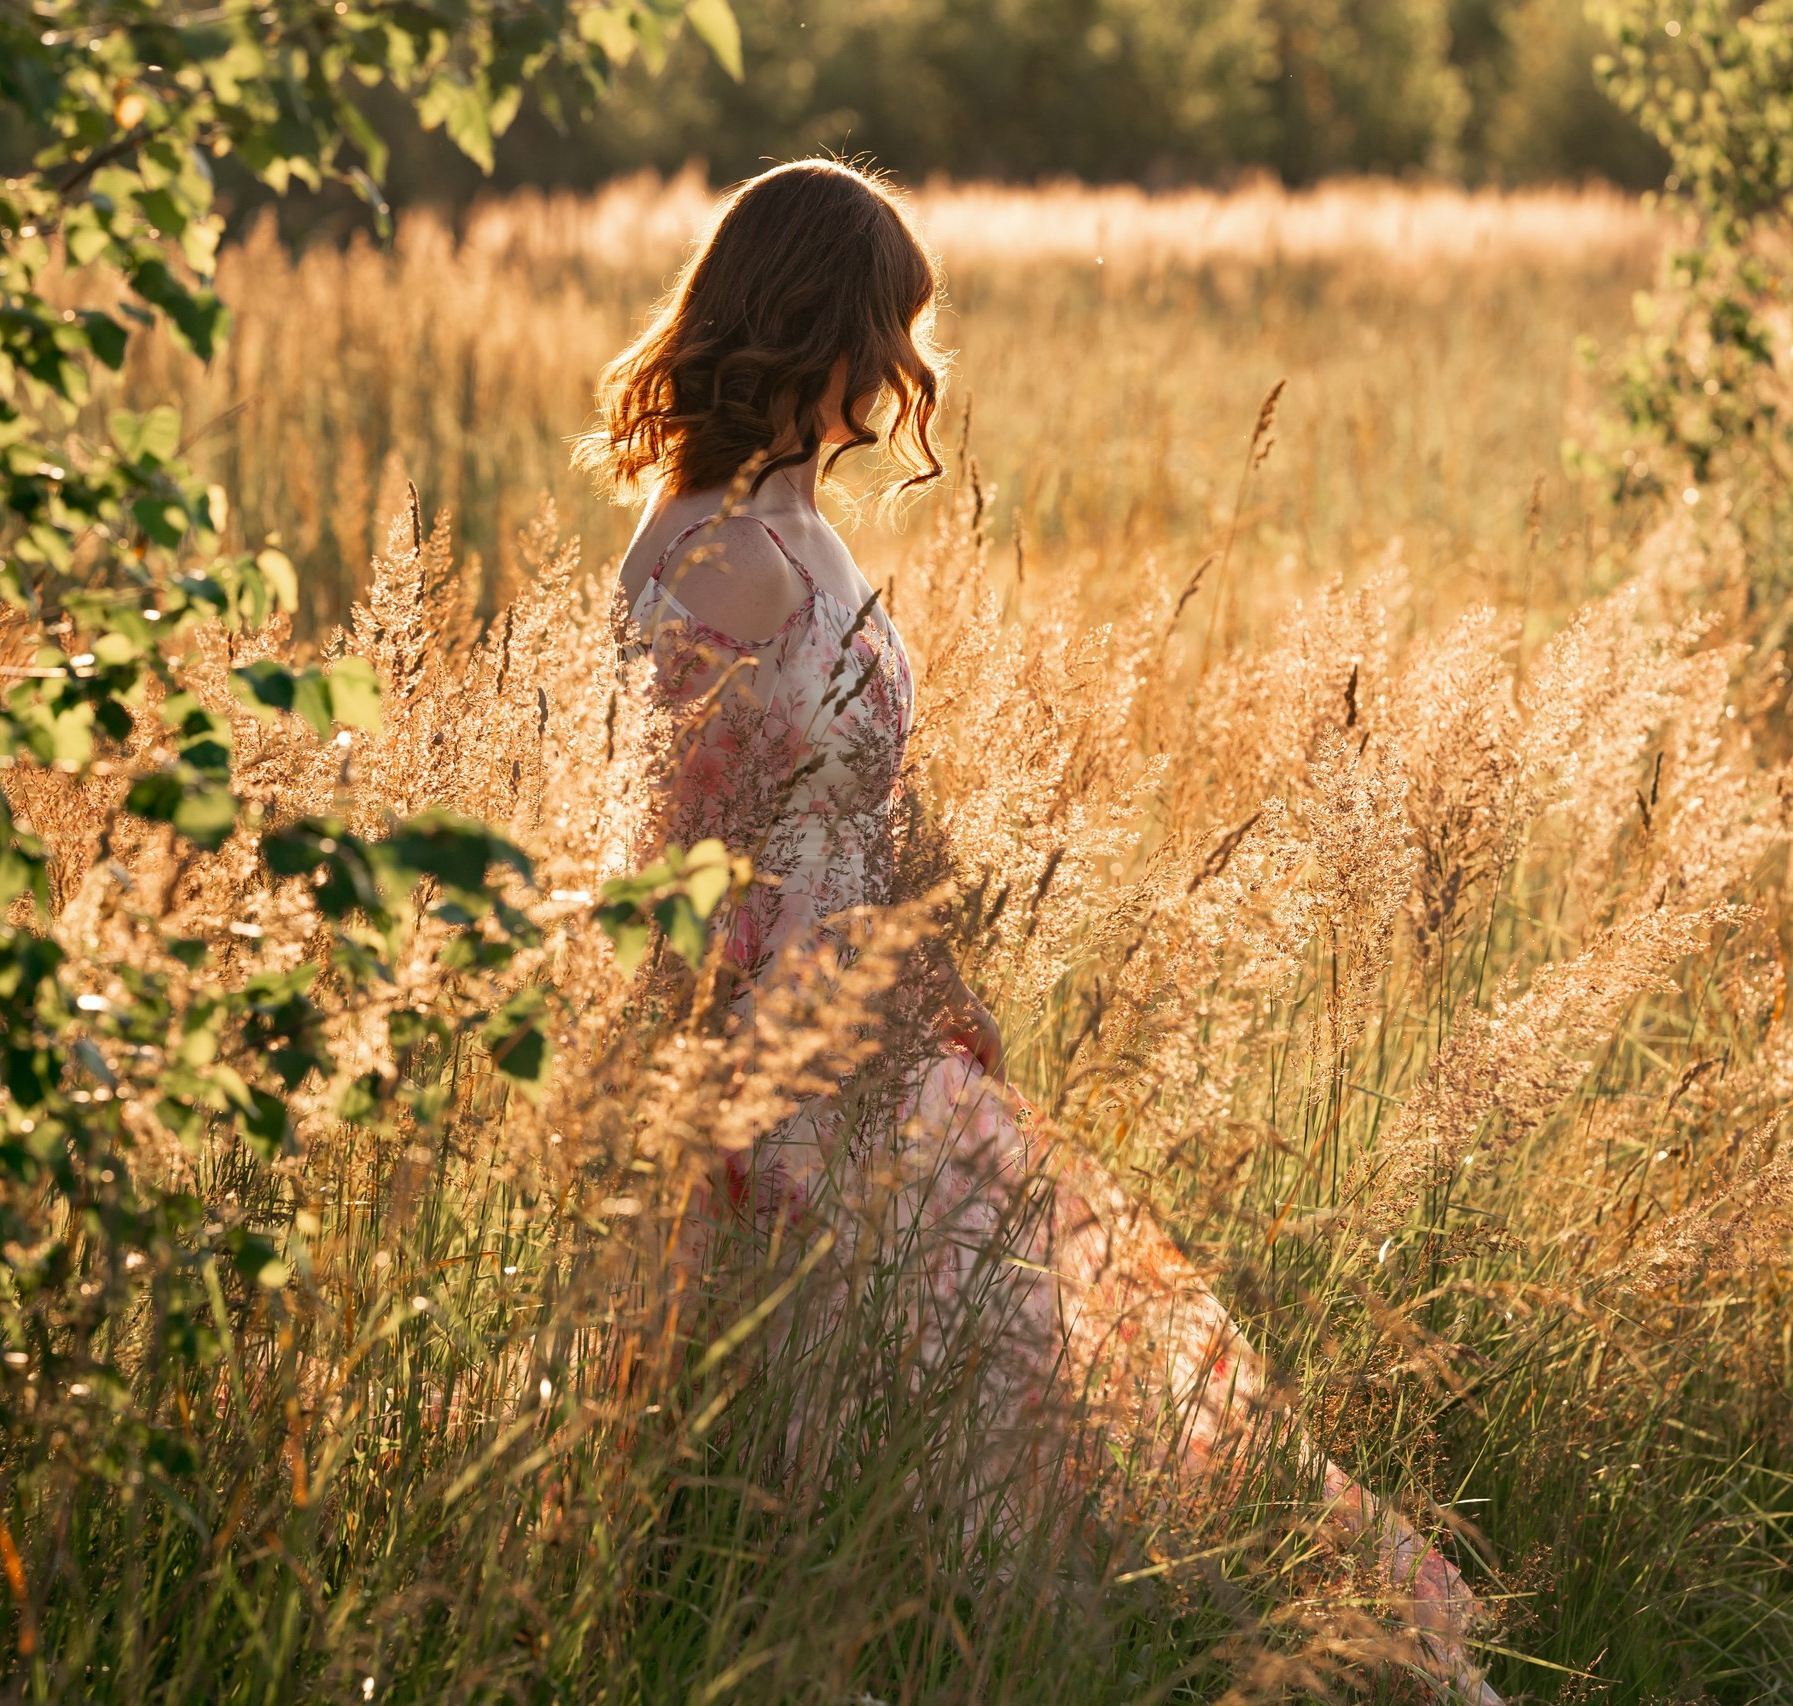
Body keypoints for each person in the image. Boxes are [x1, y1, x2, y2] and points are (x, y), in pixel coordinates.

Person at [579, 158, 1498, 1705]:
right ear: (815, 323)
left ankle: (1148, 1652)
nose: (899, 379)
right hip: (789, 1071)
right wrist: (728, 1084)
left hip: (881, 1038)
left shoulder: (797, 523)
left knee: (1051, 1355)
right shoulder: (710, 558)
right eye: (884, 336)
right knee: (949, 1380)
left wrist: (940, 975)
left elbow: (874, 800)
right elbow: (676, 860)